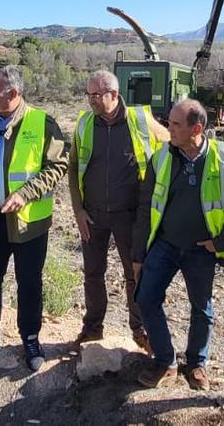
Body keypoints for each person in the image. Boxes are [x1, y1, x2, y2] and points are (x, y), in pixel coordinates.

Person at [0, 63, 69, 376]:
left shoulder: (42, 122)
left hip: (27, 223)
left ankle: (30, 338)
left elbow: (57, 166)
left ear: (13, 93)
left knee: (29, 283)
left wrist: (26, 193)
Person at [132, 99, 224, 390]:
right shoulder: (162, 157)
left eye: (175, 125)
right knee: (146, 298)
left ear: (197, 128)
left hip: (201, 250)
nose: (168, 129)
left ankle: (196, 364)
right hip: (165, 245)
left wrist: (220, 242)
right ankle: (166, 361)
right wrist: (138, 253)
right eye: (169, 122)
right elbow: (146, 207)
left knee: (201, 308)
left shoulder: (223, 160)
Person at [69, 69, 165, 350]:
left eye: (97, 95)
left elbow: (171, 147)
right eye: (89, 95)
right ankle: (92, 328)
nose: (92, 101)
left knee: (135, 273)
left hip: (131, 216)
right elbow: (74, 167)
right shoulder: (85, 124)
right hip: (92, 215)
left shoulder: (141, 120)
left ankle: (140, 330)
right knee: (93, 274)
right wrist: (78, 210)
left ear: (114, 94)